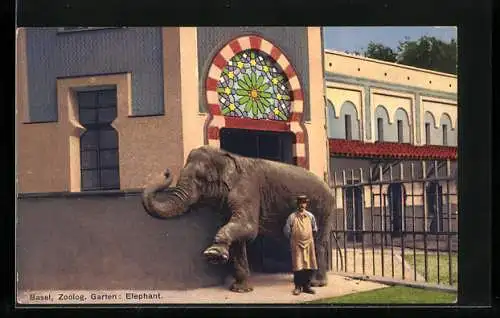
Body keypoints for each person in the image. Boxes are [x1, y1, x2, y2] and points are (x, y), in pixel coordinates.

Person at [283, 195, 318, 295]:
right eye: (300, 203)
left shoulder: (310, 216)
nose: (302, 205)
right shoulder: (292, 217)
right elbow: (286, 231)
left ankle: (307, 286)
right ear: (297, 204)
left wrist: (308, 238)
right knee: (298, 266)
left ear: (306, 204)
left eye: (304, 203)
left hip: (309, 244)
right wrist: (293, 240)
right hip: (296, 244)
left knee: (309, 265)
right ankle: (298, 287)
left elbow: (314, 229)